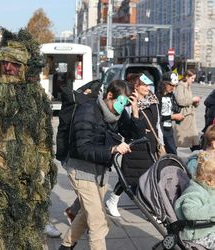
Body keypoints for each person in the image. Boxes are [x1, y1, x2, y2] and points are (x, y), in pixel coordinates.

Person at [59, 80, 145, 250]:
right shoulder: (88, 111)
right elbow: (83, 148)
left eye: (126, 103)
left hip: (100, 170)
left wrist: (135, 111)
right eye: (121, 102)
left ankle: (66, 246)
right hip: (81, 169)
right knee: (98, 222)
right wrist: (113, 149)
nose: (122, 107)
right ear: (109, 95)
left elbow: (134, 134)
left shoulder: (117, 114)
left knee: (86, 214)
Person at [106, 73, 164, 217]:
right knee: (128, 176)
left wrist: (160, 142)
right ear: (135, 87)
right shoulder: (127, 102)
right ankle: (112, 200)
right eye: (143, 85)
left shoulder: (153, 101)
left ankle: (152, 209)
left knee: (150, 177)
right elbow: (123, 125)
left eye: (148, 84)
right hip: (134, 144)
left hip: (150, 142)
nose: (147, 87)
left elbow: (157, 124)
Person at [174, 151, 215, 250]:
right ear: (210, 181)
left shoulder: (209, 189)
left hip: (209, 230)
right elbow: (190, 212)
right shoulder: (195, 191)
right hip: (197, 235)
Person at [157, 71, 184, 154]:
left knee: (173, 155)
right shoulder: (157, 96)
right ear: (164, 83)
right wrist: (173, 117)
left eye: (175, 86)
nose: (173, 88)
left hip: (169, 130)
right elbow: (157, 117)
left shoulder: (171, 95)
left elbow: (174, 109)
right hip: (160, 131)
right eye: (171, 85)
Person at [173, 69, 201, 151]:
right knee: (177, 141)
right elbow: (180, 101)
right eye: (192, 78)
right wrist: (192, 99)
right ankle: (171, 158)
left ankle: (197, 160)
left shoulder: (188, 86)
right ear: (187, 77)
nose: (193, 80)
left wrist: (196, 102)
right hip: (183, 118)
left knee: (195, 142)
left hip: (189, 117)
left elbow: (187, 100)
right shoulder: (180, 86)